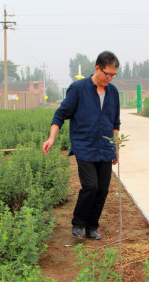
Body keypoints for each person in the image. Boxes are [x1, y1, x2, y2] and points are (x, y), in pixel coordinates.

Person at [42, 51, 121, 240]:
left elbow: (115, 123)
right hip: (84, 146)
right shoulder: (78, 88)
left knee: (102, 190)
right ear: (97, 68)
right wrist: (52, 138)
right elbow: (61, 114)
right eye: (107, 74)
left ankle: (92, 226)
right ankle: (78, 224)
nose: (110, 78)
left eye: (113, 75)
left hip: (105, 148)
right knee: (90, 186)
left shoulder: (113, 92)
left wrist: (115, 147)